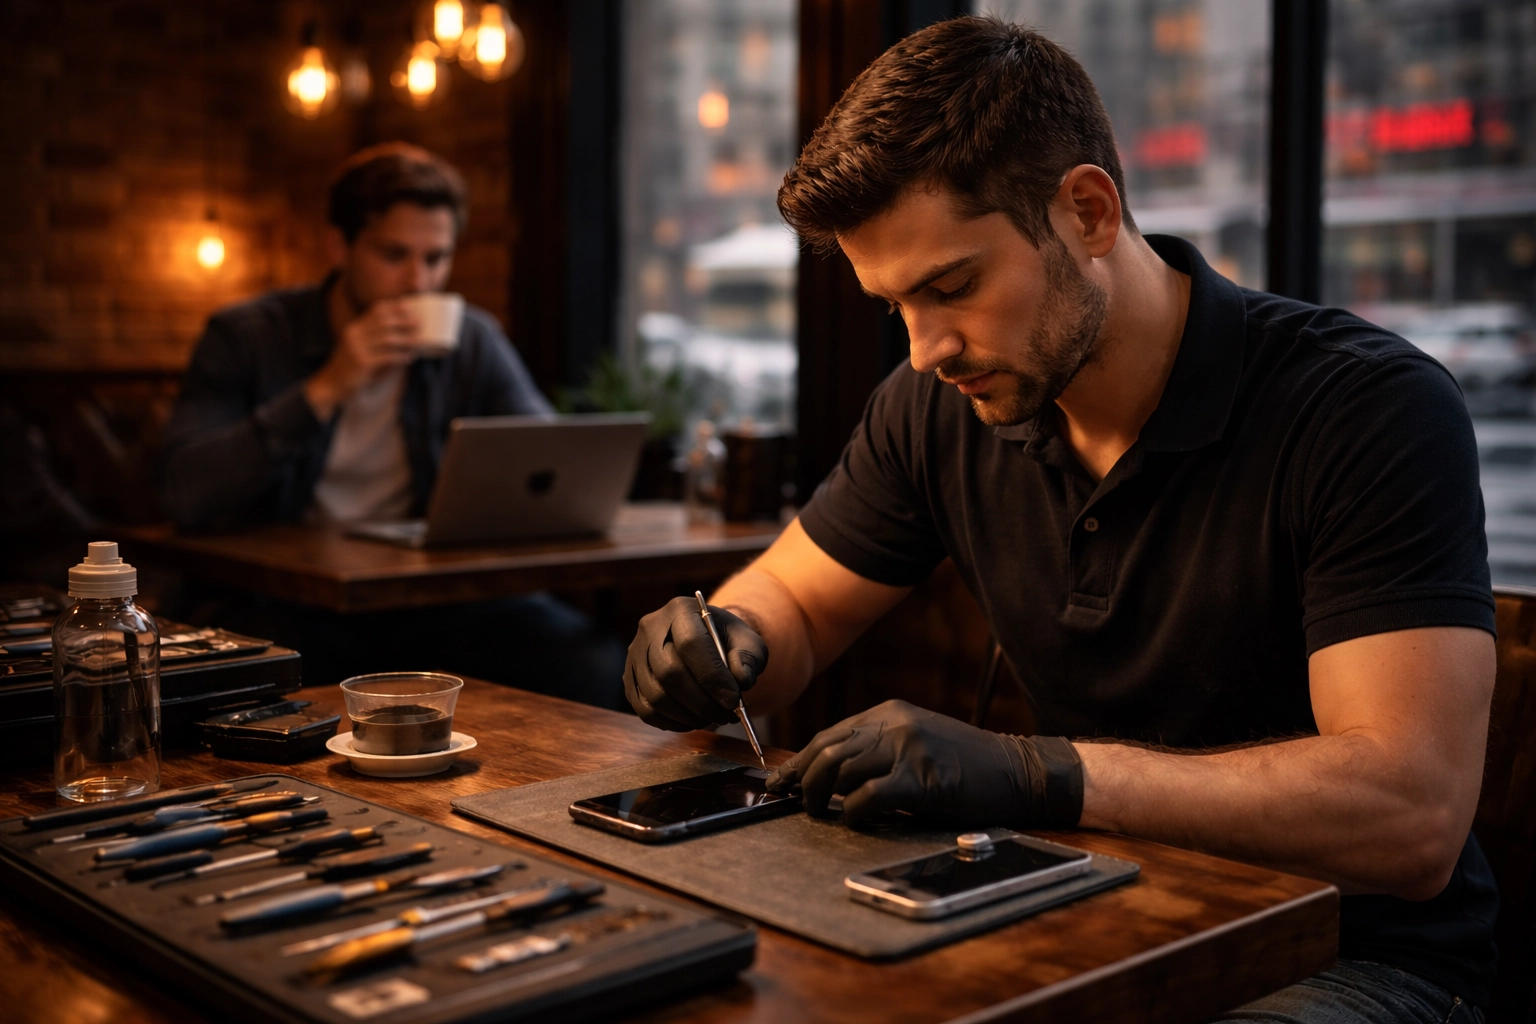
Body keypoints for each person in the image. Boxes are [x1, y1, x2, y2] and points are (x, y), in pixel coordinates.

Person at [623, 18, 1495, 1024]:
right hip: (1074, 913)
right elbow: (797, 607)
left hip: (1350, 959)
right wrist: (728, 638)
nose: (925, 348)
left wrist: (1043, 775)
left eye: (952, 286)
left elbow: (1410, 814)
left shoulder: (1365, 410)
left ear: (1086, 210)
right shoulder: (941, 404)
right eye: (894, 305)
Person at [160, 143, 621, 705]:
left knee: (594, 665)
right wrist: (327, 386)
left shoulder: (469, 340)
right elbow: (184, 489)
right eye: (394, 255)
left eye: (435, 258)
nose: (417, 282)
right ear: (339, 247)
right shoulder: (248, 336)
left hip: (428, 603)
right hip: (283, 603)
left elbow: (550, 461)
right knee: (258, 679)